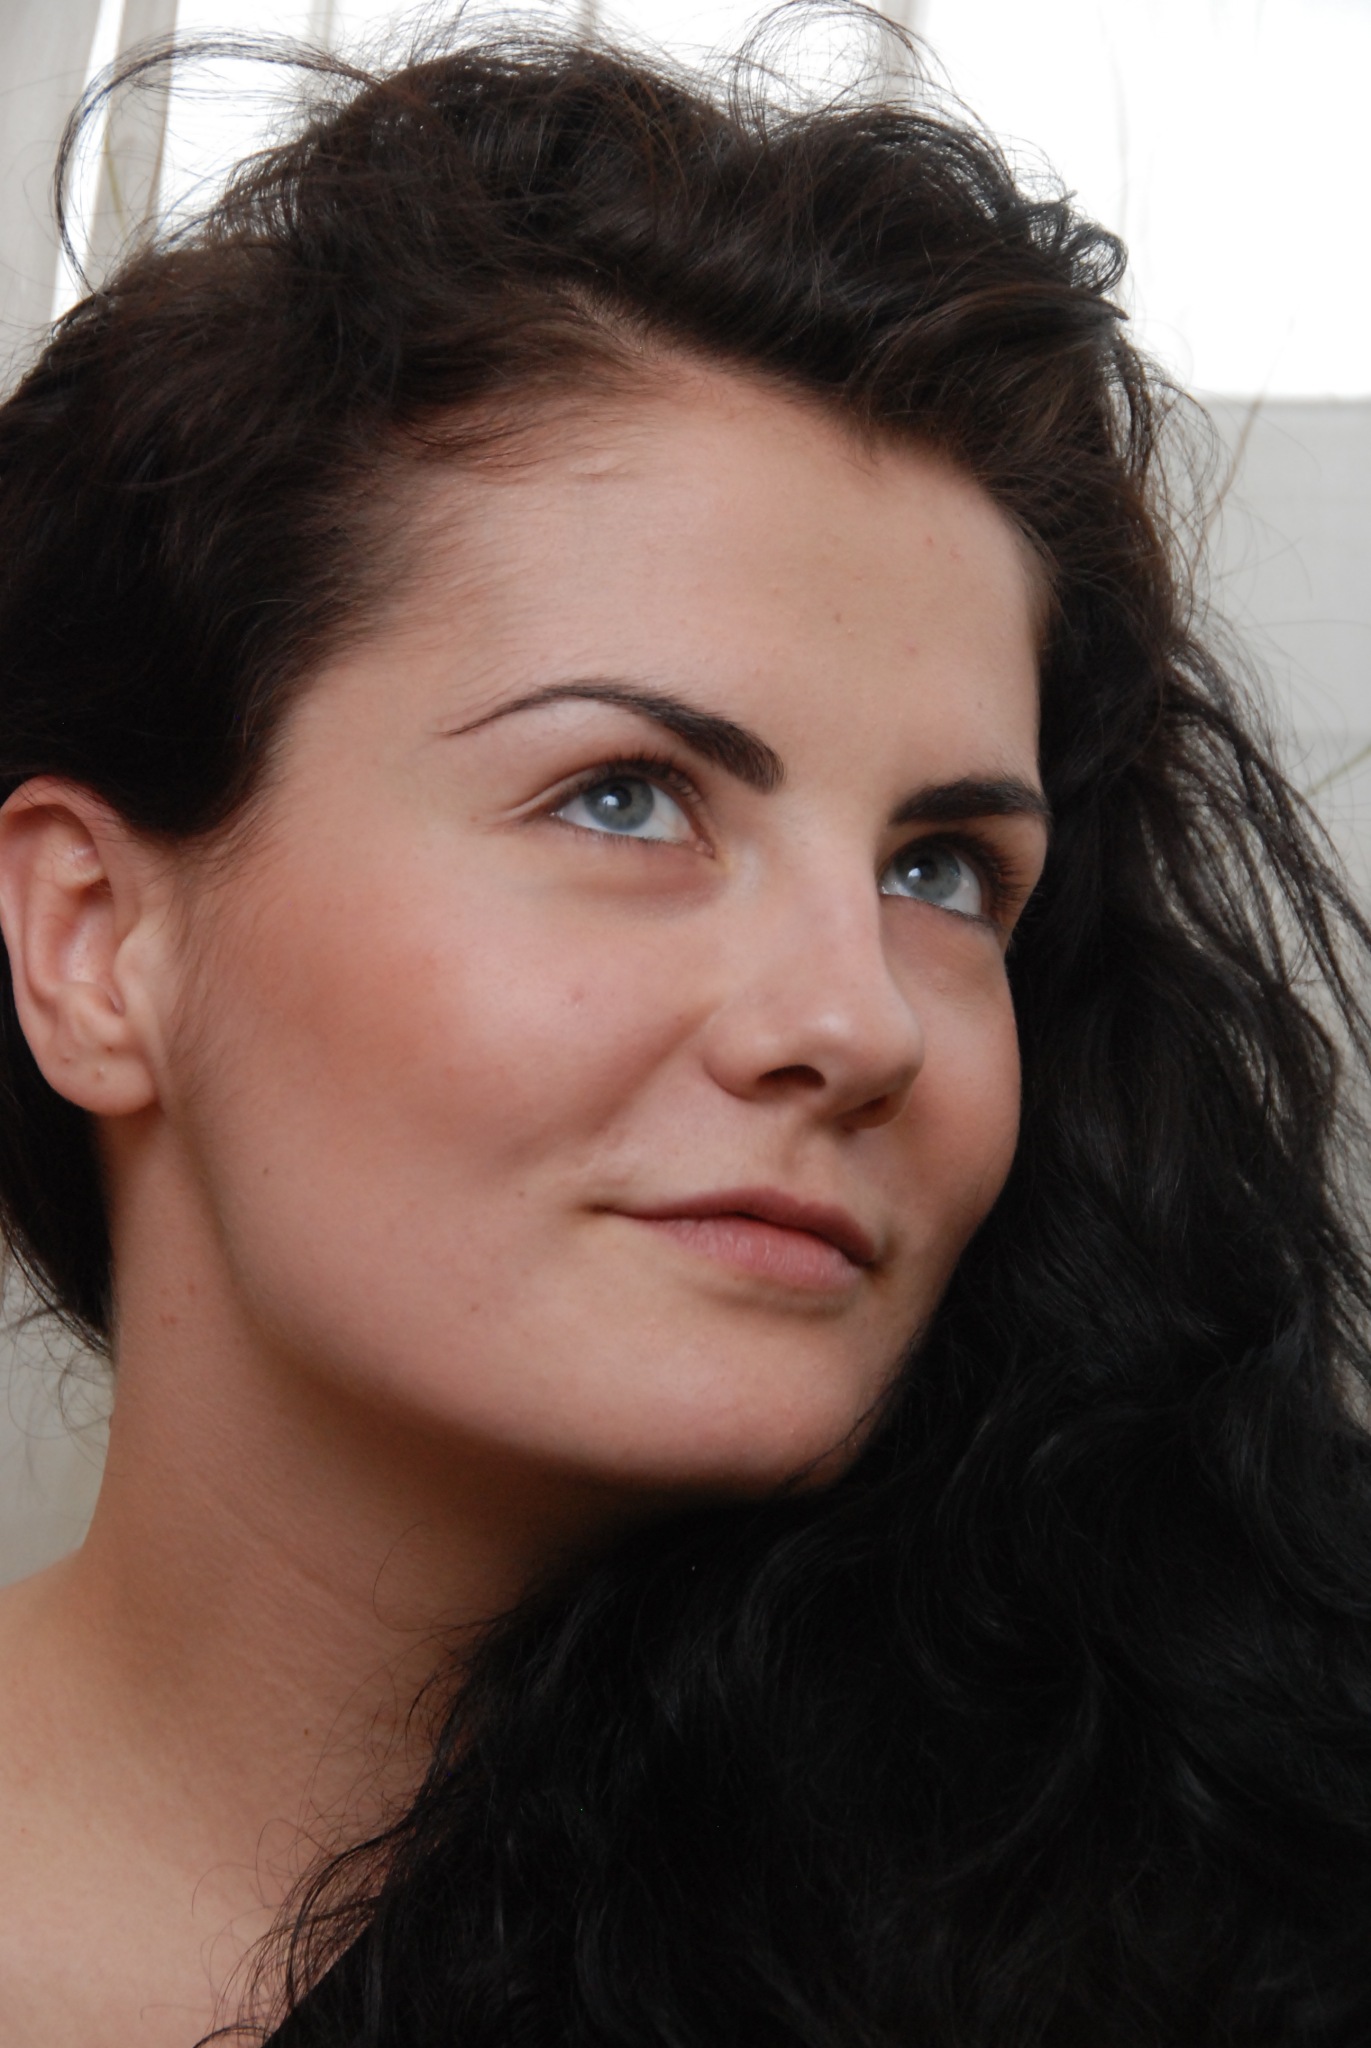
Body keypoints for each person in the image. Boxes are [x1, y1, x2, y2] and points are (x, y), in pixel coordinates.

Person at [0, 13, 1369, 2045]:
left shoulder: (1227, 1898)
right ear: (96, 941)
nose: (855, 1019)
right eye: (627, 798)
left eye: (940, 870)